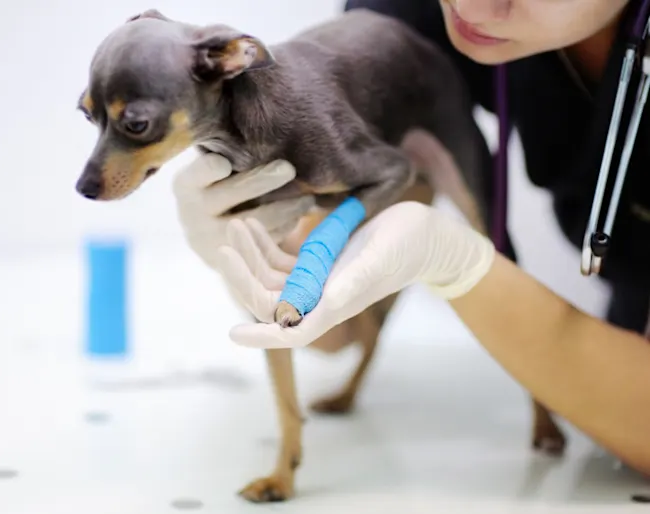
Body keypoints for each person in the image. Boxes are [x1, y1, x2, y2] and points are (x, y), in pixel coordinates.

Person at [172, 0, 650, 475]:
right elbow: (331, 328)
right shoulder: (407, 17)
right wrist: (263, 258)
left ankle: (542, 413)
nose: (471, 5)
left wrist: (465, 268)